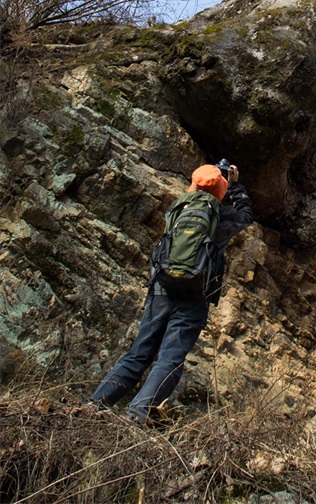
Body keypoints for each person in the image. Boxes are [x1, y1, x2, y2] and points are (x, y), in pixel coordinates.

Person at [88, 163, 253, 423]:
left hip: (161, 289)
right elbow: (245, 215)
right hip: (194, 296)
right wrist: (234, 186)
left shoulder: (176, 209)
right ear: (220, 190)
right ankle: (137, 415)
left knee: (138, 354)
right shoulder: (221, 216)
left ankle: (94, 406)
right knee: (170, 358)